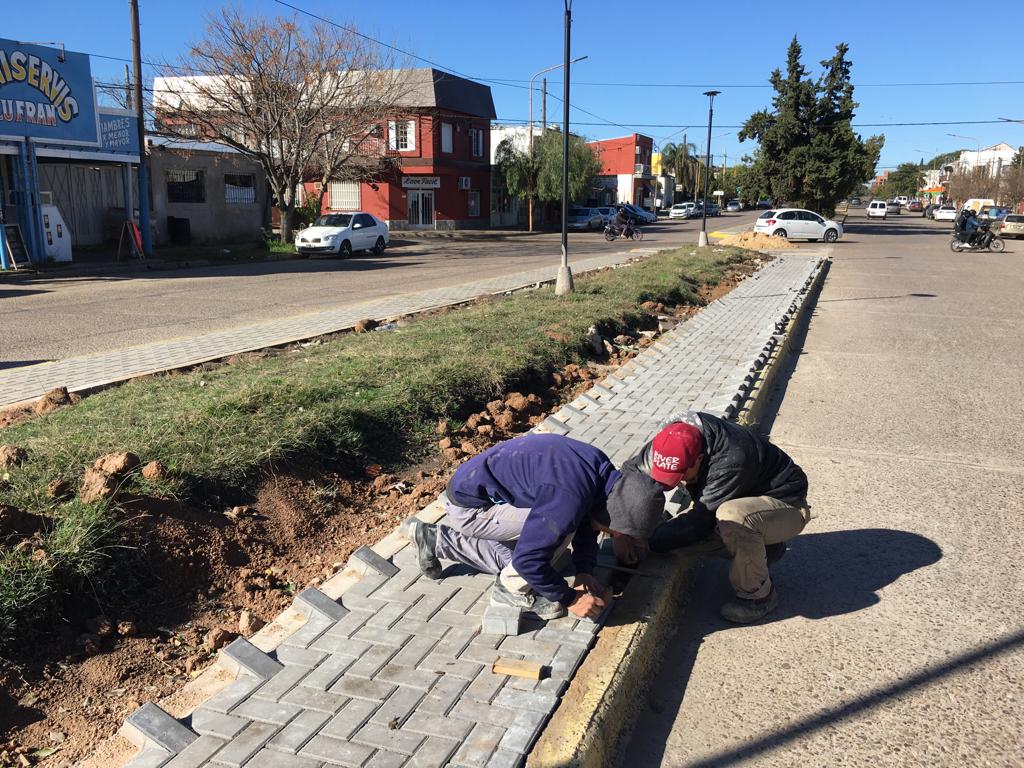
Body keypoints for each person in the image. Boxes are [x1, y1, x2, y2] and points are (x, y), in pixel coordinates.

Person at [404, 433, 666, 621]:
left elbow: (591, 515)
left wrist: (584, 570)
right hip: (470, 507)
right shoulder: (569, 497)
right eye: (615, 532)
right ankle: (508, 592)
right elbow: (530, 560)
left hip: (486, 490)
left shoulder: (602, 475)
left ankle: (436, 540)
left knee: (553, 536)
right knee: (549, 539)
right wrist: (570, 599)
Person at [622, 411, 810, 623]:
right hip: (742, 500)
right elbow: (629, 476)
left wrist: (646, 539)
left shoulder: (732, 458)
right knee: (671, 543)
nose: (673, 483)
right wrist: (625, 530)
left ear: (699, 459)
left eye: (680, 475)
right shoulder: (671, 441)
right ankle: (766, 550)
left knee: (732, 517)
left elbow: (699, 523)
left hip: (784, 506)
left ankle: (759, 596)